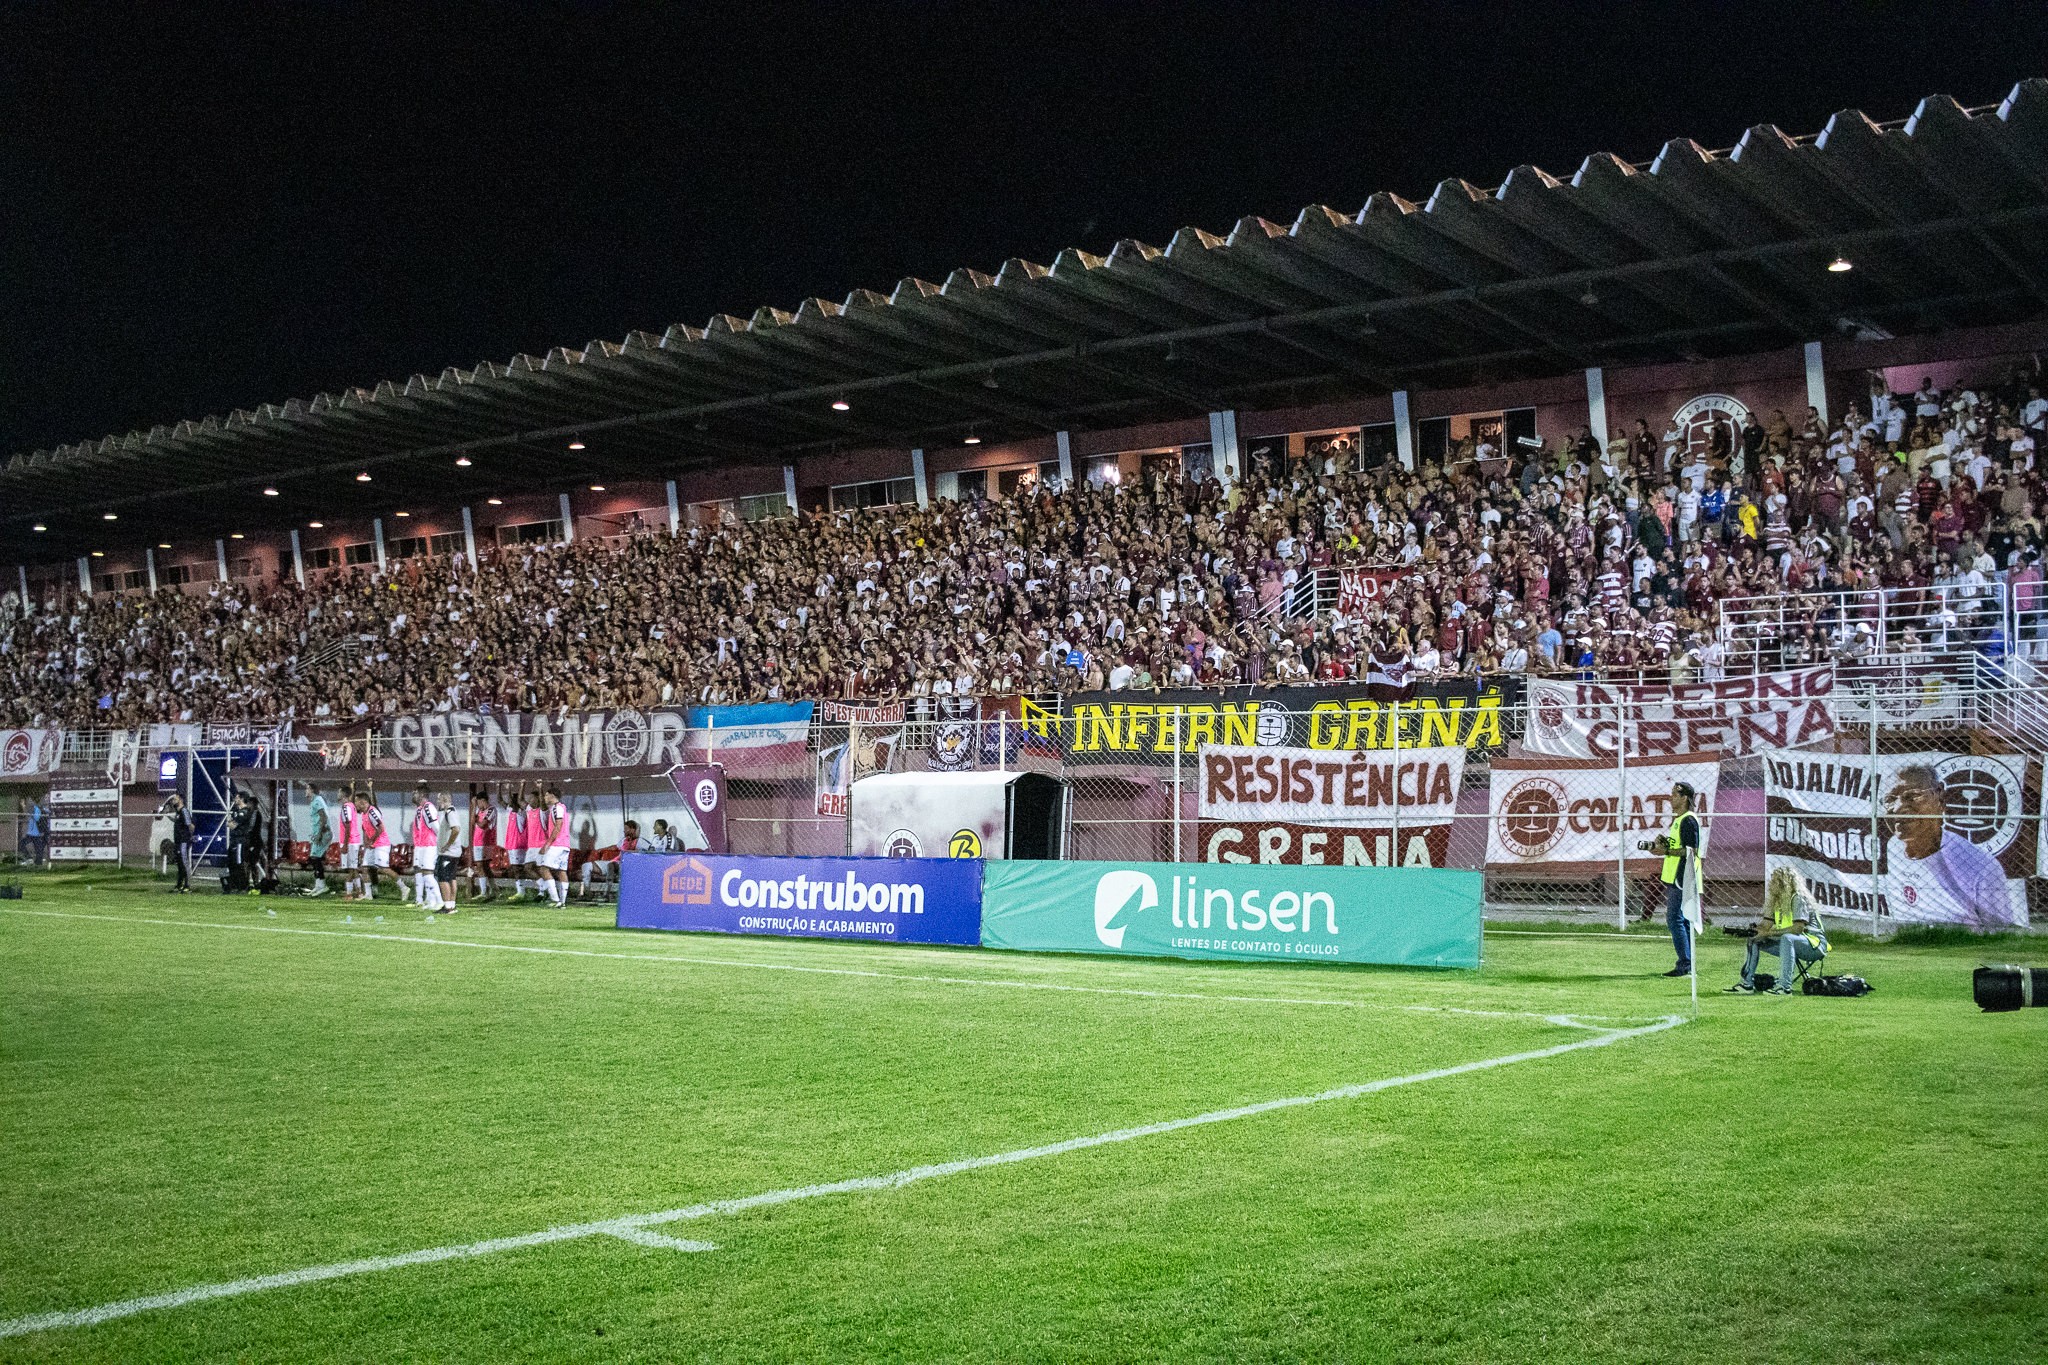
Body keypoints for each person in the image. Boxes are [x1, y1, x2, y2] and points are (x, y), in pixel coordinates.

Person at [1879, 766, 2019, 927]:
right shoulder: (1893, 848)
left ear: (1940, 798)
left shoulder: (1982, 867)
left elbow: (1999, 933)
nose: (1897, 809)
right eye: (1890, 799)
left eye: (1913, 796)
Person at [1728, 867, 1829, 994]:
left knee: (1787, 938)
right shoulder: (1776, 901)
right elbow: (1765, 926)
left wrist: (1768, 933)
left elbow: (1798, 929)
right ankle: (1746, 984)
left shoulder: (1798, 898)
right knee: (1754, 939)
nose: (1771, 883)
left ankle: (1784, 987)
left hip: (1814, 946)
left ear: (1785, 883)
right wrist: (1751, 931)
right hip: (1792, 943)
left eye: (1775, 881)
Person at [1639, 781, 1701, 976]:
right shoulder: (1679, 820)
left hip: (1682, 876)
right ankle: (1687, 963)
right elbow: (1679, 846)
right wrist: (1664, 844)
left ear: (1684, 798)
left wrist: (1666, 849)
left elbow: (1691, 850)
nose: (1671, 798)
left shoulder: (1688, 820)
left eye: (1675, 795)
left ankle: (1685, 964)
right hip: (1676, 875)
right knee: (1680, 920)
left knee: (1675, 919)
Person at [579, 819, 639, 899]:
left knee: (611, 865)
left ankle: (606, 894)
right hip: (615, 862)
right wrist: (601, 849)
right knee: (586, 865)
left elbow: (641, 852)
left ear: (632, 829)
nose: (624, 831)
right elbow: (615, 847)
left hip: (624, 864)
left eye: (626, 829)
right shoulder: (624, 840)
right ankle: (587, 893)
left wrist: (628, 851)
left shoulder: (638, 841)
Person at [537, 784, 571, 906]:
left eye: (546, 795)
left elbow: (558, 826)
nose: (545, 797)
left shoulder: (558, 808)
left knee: (544, 868)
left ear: (552, 796)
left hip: (557, 844)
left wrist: (548, 844)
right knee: (561, 871)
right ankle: (562, 902)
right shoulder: (559, 808)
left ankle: (555, 900)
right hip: (565, 844)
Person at [360, 789, 391, 900]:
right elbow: (364, 829)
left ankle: (403, 887)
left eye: (357, 801)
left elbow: (381, 828)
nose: (355, 804)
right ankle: (369, 894)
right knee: (365, 867)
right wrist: (366, 842)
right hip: (371, 845)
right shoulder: (363, 814)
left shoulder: (373, 811)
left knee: (383, 869)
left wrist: (371, 840)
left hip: (380, 844)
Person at [466, 789, 497, 902]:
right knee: (485, 867)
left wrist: (475, 819)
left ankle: (484, 892)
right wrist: (474, 810)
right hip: (478, 842)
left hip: (485, 842)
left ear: (483, 800)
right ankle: (494, 890)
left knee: (480, 866)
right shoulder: (480, 811)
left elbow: (483, 824)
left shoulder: (491, 810)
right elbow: (472, 821)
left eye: (478, 803)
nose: (478, 805)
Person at [305, 782, 333, 897]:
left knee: (315, 858)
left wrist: (319, 834)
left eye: (307, 789)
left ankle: (322, 885)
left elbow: (323, 816)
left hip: (323, 833)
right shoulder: (315, 801)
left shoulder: (317, 801)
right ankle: (318, 885)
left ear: (311, 790)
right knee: (314, 858)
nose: (305, 791)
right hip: (320, 833)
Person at [503, 788, 531, 901]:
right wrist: (501, 787)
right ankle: (520, 891)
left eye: (511, 801)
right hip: (511, 844)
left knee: (518, 868)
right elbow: (501, 801)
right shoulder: (511, 811)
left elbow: (518, 801)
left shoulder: (521, 813)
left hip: (519, 844)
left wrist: (520, 787)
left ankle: (522, 892)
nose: (509, 802)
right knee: (516, 868)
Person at [162, 793, 192, 893]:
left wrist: (188, 837)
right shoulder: (178, 812)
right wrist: (166, 815)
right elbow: (177, 821)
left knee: (184, 863)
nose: (173, 801)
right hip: (178, 841)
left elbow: (190, 825)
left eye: (175, 799)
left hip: (183, 842)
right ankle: (179, 885)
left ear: (181, 800)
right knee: (179, 864)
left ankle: (187, 885)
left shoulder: (184, 811)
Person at [338, 788, 364, 900]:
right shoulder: (351, 806)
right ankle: (359, 892)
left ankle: (349, 893)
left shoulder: (346, 807)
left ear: (344, 794)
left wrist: (345, 844)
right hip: (353, 841)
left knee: (352, 868)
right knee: (353, 868)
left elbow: (348, 825)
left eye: (339, 792)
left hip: (350, 842)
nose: (337, 794)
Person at [21, 796, 48, 867]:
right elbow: (26, 815)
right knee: (21, 844)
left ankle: (38, 864)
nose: (30, 802)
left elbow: (37, 818)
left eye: (31, 800)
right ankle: (29, 858)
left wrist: (32, 812)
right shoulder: (31, 809)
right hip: (30, 834)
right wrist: (23, 806)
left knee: (39, 850)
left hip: (37, 834)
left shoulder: (38, 809)